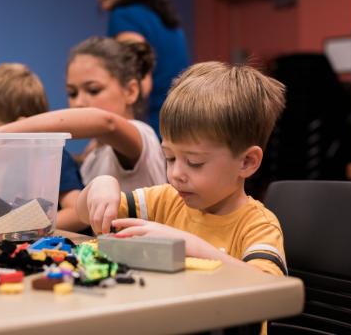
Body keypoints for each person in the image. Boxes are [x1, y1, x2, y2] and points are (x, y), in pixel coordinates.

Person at [77, 62, 288, 278]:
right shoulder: (165, 201)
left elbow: (271, 288)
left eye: (194, 162)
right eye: (169, 157)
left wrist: (192, 247)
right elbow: (85, 214)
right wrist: (100, 185)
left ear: (247, 162)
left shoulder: (258, 226)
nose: (175, 173)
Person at [0, 36, 166, 192]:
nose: (78, 102)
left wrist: (1, 134)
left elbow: (107, 124)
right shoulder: (93, 151)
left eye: (93, 90)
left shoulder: (141, 135)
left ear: (130, 91)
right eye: (72, 93)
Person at [0, 63, 85, 231]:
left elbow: (78, 214)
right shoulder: (13, 166)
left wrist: (28, 227)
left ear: (21, 127)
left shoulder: (52, 158)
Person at [93, 0, 189, 136]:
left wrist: (111, 136)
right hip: (183, 125)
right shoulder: (163, 17)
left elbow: (139, 80)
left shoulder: (124, 16)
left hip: (156, 130)